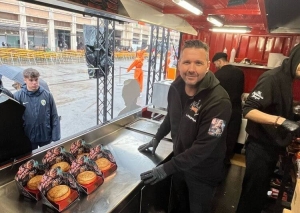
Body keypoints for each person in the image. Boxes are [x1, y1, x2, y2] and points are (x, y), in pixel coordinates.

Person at [138, 40, 232, 213]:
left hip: (203, 173)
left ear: (208, 65)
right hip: (181, 165)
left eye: (198, 63)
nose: (191, 69)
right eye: (187, 62)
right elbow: (172, 116)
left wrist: (166, 168)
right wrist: (157, 137)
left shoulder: (219, 102)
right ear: (179, 63)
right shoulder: (176, 86)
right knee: (178, 207)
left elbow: (205, 147)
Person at [236, 43, 300, 213]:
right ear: (295, 58)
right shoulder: (272, 78)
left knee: (258, 196)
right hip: (259, 148)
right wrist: (281, 121)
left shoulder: (288, 78)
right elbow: (248, 109)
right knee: (250, 197)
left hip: (271, 148)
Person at [13, 68, 61, 150]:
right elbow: (15, 120)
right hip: (28, 138)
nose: (34, 83)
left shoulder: (47, 95)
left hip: (45, 136)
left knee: (47, 159)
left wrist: (56, 137)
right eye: (31, 80)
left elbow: (54, 116)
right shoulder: (18, 96)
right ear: (25, 80)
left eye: (36, 79)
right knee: (32, 161)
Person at [212, 52, 245, 163]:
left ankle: (213, 161)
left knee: (215, 136)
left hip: (219, 112)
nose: (216, 66)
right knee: (231, 138)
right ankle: (225, 162)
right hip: (235, 111)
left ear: (219, 61)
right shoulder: (240, 73)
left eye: (216, 64)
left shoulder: (217, 75)